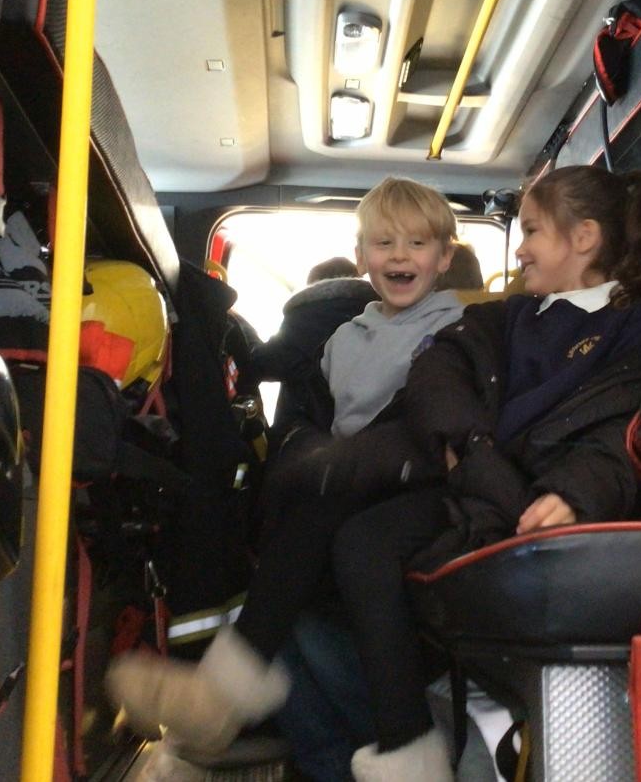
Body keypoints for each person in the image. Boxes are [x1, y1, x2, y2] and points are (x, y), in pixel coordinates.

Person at [106, 177, 465, 773]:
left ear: (445, 257)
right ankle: (260, 716)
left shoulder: (458, 326)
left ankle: (223, 694)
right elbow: (323, 417)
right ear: (361, 257)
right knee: (303, 529)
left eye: (417, 243)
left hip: (422, 480)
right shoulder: (343, 339)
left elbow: (440, 419)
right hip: (355, 481)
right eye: (384, 243)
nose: (400, 255)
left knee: (318, 516)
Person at [328, 164, 641, 780]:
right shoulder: (515, 314)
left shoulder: (633, 329)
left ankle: (418, 740)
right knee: (353, 536)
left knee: (359, 544)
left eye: (532, 231)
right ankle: (407, 745)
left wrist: (575, 492)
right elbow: (438, 368)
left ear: (584, 238)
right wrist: (474, 445)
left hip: (531, 508)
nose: (520, 248)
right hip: (477, 487)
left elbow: (623, 431)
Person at [249, 257, 376, 429]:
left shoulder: (303, 318)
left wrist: (244, 329)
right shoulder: (381, 315)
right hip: (370, 434)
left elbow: (261, 364)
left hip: (307, 435)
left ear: (312, 287)